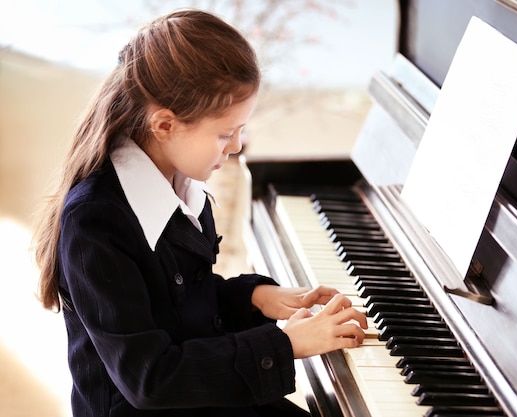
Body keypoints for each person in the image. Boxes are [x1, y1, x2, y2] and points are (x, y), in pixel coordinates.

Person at [32, 9, 367, 417]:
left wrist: (256, 297)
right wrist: (287, 344)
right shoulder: (96, 220)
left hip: (193, 393)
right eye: (226, 133)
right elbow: (150, 379)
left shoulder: (182, 183)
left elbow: (182, 302)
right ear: (165, 125)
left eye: (241, 129)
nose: (238, 146)